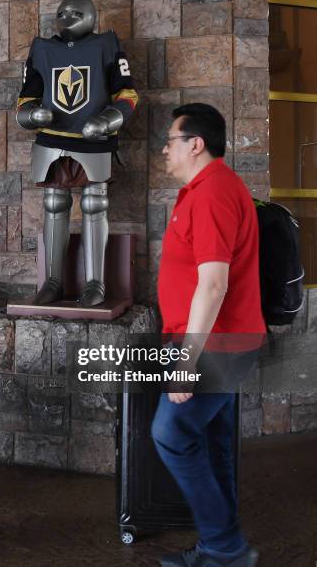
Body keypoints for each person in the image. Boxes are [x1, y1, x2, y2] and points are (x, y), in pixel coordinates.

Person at [152, 104, 266, 567]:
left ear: (195, 144)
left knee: (172, 433)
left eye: (171, 140)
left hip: (216, 346)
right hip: (223, 343)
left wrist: (186, 362)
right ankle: (221, 545)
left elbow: (214, 284)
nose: (165, 149)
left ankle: (225, 547)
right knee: (213, 442)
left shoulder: (213, 192)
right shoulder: (205, 189)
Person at [17, 0, 138, 306]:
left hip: (93, 141)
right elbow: (25, 98)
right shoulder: (42, 49)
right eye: (62, 12)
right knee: (54, 204)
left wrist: (108, 120)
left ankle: (95, 283)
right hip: (51, 141)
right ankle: (52, 281)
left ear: (91, 15)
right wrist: (32, 114)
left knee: (94, 205)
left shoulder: (107, 45)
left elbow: (127, 96)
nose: (67, 18)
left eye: (75, 12)